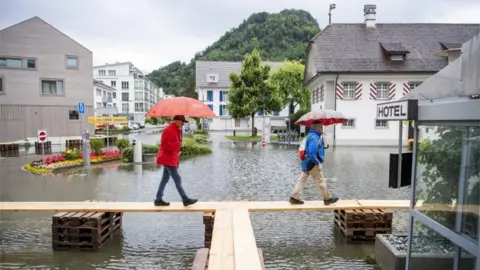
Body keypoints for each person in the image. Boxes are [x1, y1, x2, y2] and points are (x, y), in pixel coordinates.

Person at [289, 121, 339, 205]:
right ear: (316, 127)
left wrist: (321, 144)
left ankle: (294, 198)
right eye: (321, 127)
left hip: (306, 162)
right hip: (312, 163)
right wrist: (317, 163)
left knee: (302, 180)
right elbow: (312, 153)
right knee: (320, 181)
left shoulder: (310, 136)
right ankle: (327, 198)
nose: (322, 129)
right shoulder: (314, 137)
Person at [154, 115, 198, 207]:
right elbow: (165, 145)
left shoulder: (176, 130)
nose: (183, 124)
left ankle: (158, 199)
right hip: (168, 159)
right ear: (177, 121)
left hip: (170, 158)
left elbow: (175, 145)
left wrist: (179, 146)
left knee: (165, 178)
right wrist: (178, 144)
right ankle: (185, 199)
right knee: (177, 179)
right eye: (182, 122)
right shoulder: (169, 130)